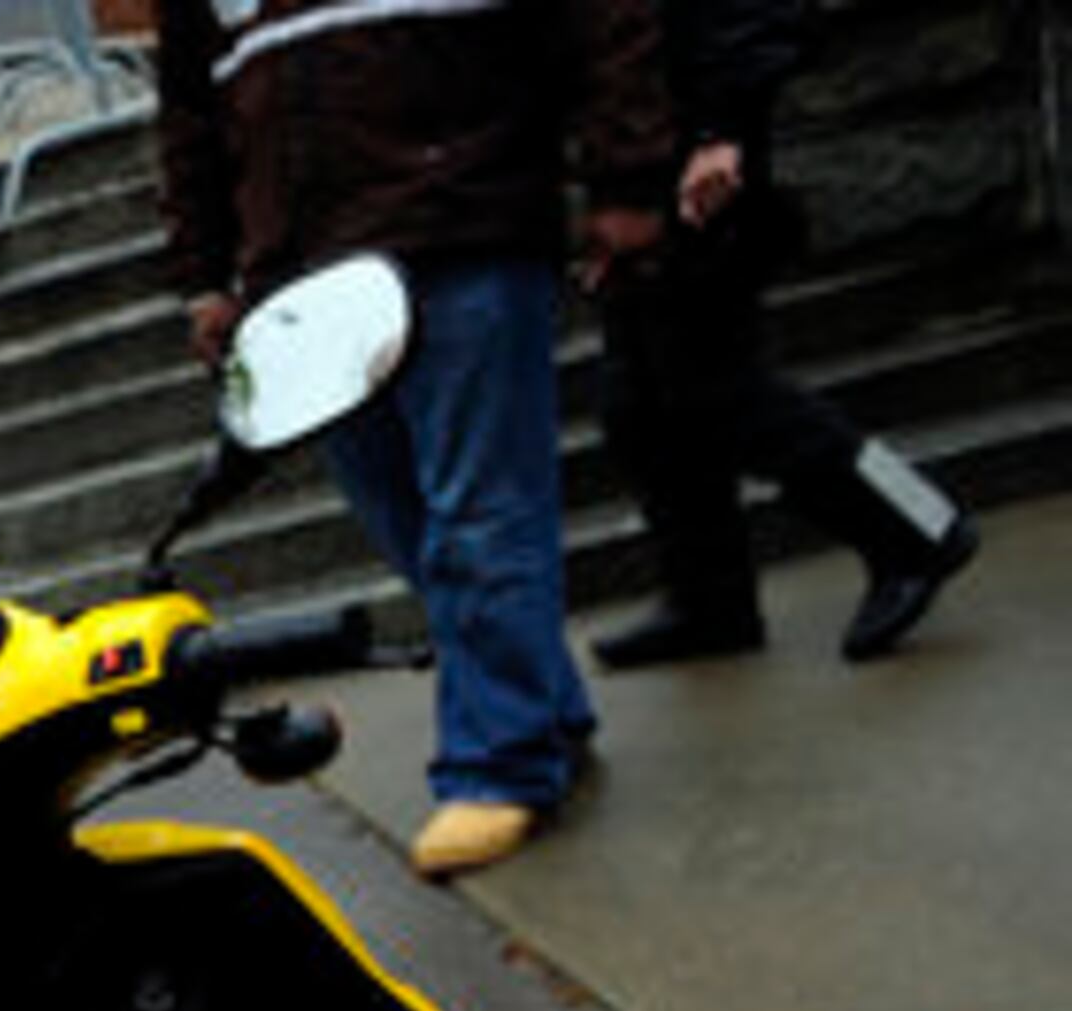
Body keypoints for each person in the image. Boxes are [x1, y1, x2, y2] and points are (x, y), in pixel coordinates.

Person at [155, 0, 675, 879]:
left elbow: (603, 17)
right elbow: (189, 107)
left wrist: (627, 175)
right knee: (402, 514)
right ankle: (541, 707)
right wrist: (204, 274)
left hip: (460, 225)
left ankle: (499, 763)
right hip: (304, 275)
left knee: (480, 512)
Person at [591, 0, 980, 669]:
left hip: (695, 156)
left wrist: (722, 129)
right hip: (646, 149)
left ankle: (920, 526)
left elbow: (748, 18)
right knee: (643, 400)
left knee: (718, 386)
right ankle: (710, 600)